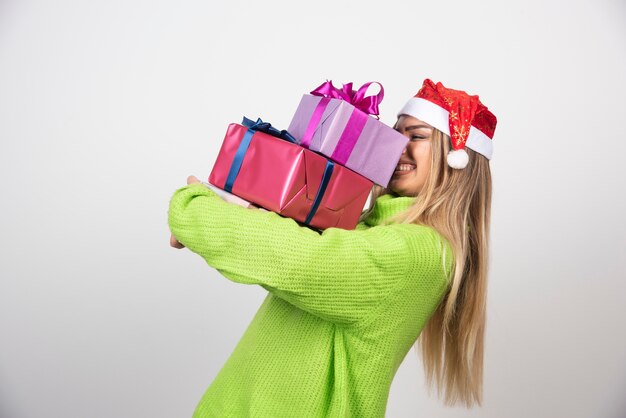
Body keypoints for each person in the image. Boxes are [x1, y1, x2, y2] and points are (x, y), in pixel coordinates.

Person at [168, 78, 497, 417]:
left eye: (416, 136)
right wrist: (231, 211)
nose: (400, 147)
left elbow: (298, 260)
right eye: (396, 135)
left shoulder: (421, 252)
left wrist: (193, 209)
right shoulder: (364, 228)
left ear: (457, 157)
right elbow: (284, 235)